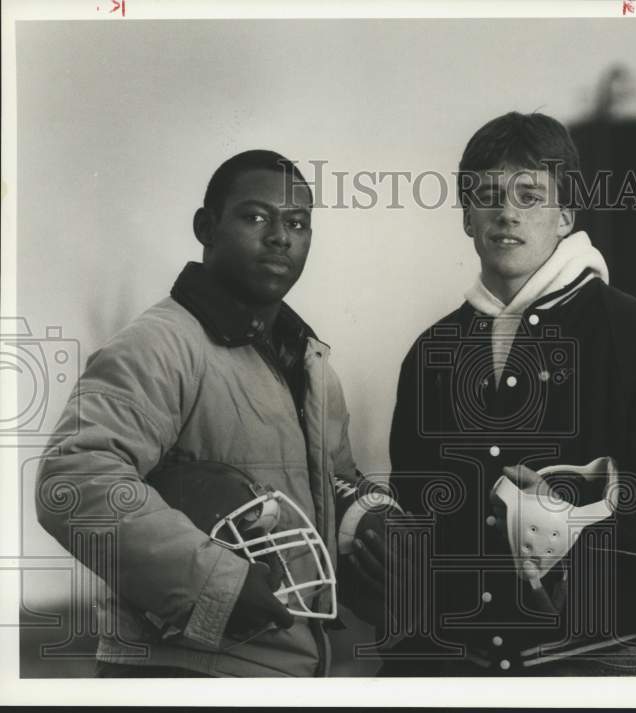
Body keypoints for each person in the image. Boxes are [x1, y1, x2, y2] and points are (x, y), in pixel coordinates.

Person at [382, 112, 636, 676]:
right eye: (488, 195)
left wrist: (579, 516)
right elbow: (416, 513)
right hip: (457, 671)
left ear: (566, 215)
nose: (507, 212)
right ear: (466, 216)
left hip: (593, 667)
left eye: (530, 195)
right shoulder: (432, 354)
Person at [34, 149, 396, 677]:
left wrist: (373, 525)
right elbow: (73, 480)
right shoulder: (158, 343)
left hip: (285, 672)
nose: (280, 237)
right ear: (207, 227)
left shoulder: (314, 367)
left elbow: (331, 488)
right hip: (177, 672)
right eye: (255, 217)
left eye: (297, 223)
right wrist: (215, 583)